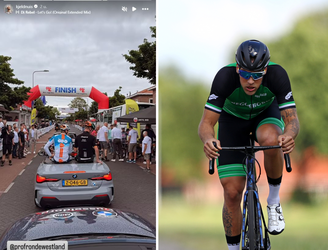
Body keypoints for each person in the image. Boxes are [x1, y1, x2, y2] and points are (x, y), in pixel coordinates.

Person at [198, 40, 300, 250]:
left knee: (272, 140)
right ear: (237, 69)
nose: (251, 81)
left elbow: (292, 121)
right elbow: (207, 123)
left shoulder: (278, 75)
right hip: (232, 122)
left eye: (257, 75)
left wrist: (289, 135)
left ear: (266, 70)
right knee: (232, 192)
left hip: (265, 115)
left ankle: (273, 201)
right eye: (245, 74)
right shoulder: (224, 78)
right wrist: (208, 140)